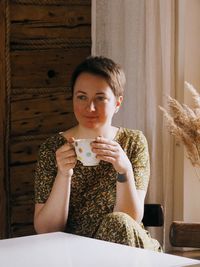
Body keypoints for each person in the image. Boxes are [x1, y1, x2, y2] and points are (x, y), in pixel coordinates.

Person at [34, 56, 161, 251]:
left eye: (100, 98)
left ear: (118, 103)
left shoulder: (133, 142)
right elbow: (47, 230)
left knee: (118, 222)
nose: (90, 107)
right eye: (82, 97)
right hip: (76, 254)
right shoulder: (53, 148)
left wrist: (124, 170)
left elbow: (130, 221)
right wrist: (64, 174)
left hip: (129, 251)